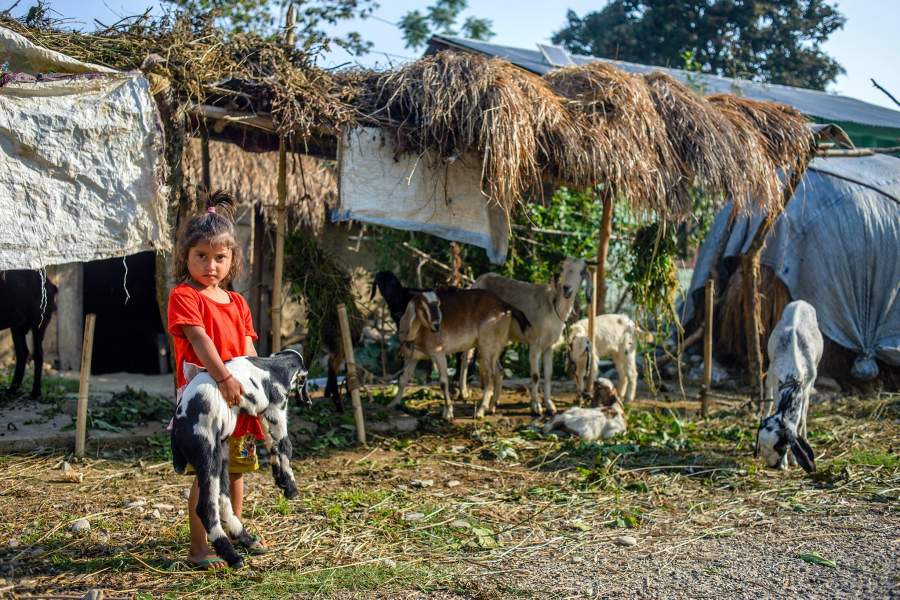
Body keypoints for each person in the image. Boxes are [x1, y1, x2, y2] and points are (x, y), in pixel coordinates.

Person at [167, 190, 268, 570]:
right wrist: (224, 376)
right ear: (186, 257)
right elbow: (199, 339)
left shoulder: (238, 303)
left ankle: (232, 535)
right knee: (207, 477)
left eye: (220, 258)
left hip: (237, 401)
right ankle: (199, 550)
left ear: (232, 260)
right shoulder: (184, 296)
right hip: (206, 403)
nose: (211, 265)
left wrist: (257, 388)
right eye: (202, 257)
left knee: (236, 472)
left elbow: (247, 349)